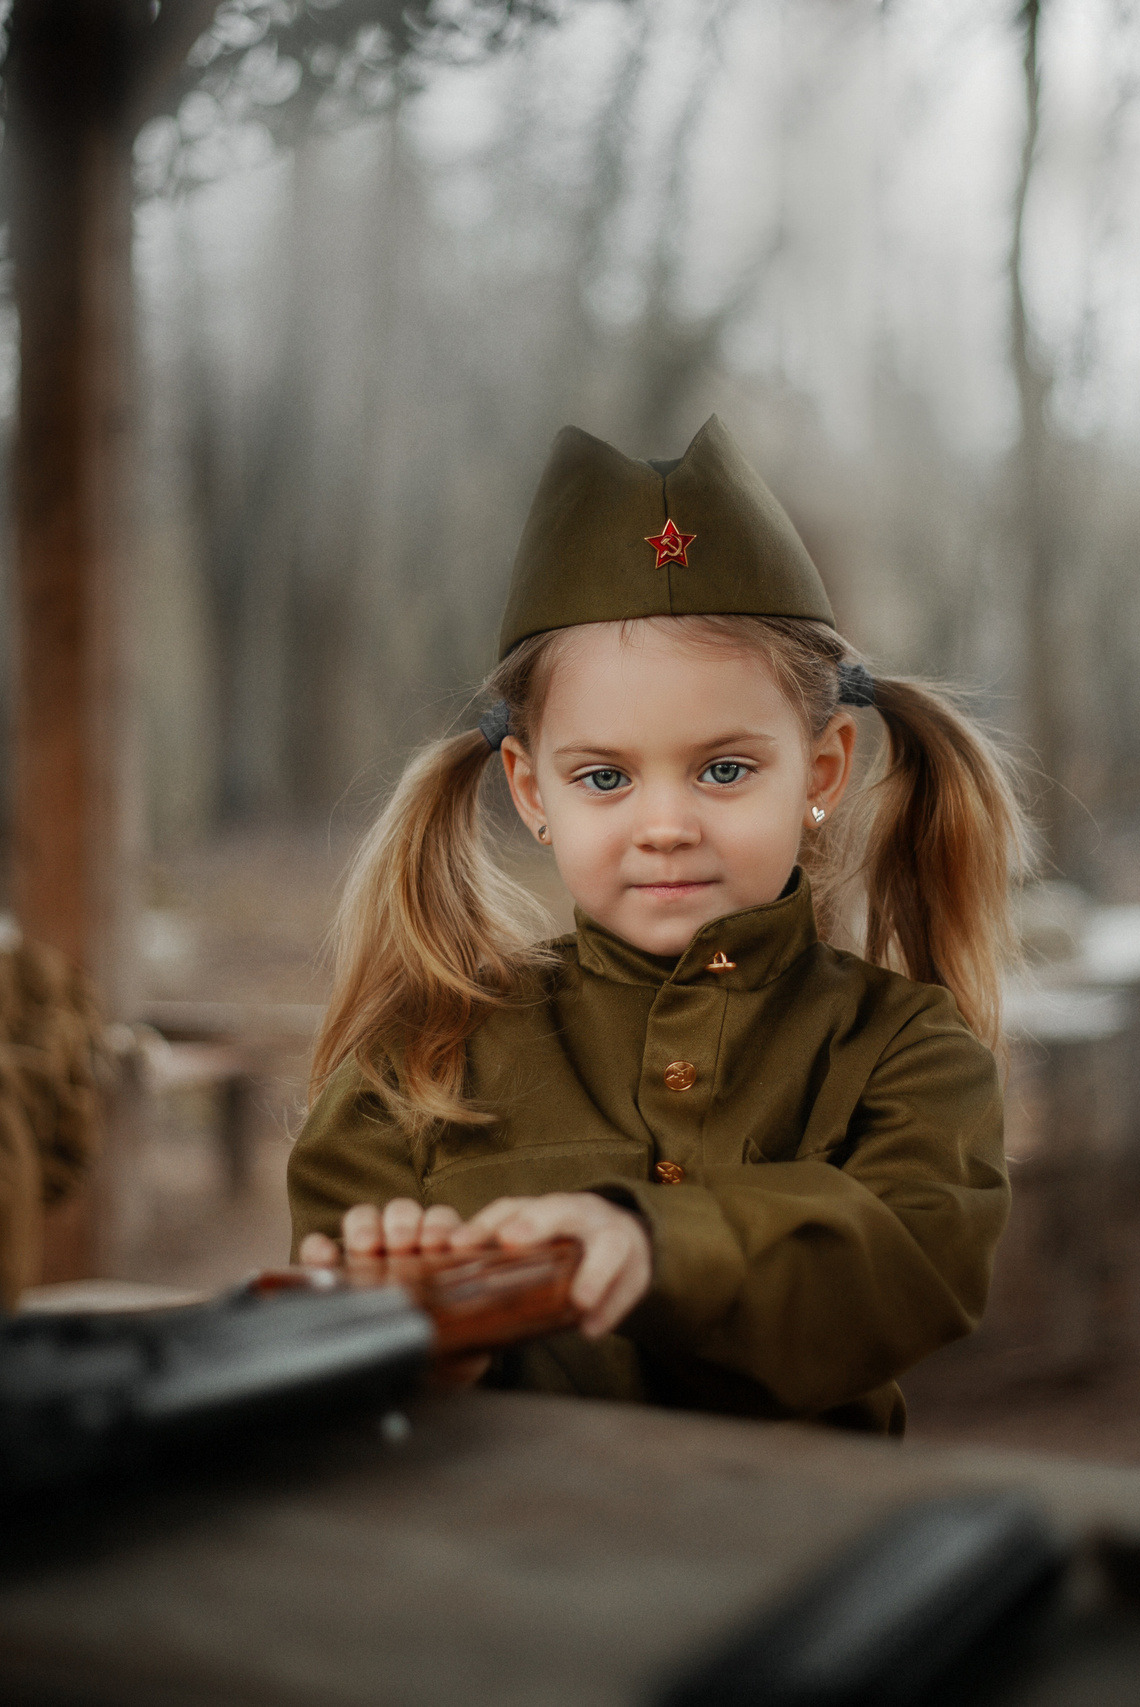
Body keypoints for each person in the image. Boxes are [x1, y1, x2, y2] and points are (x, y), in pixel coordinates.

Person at [287, 415, 1027, 1433]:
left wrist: (646, 1241)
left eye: (724, 769)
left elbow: (914, 1262)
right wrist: (410, 1342)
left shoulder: (907, 1052)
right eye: (604, 777)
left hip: (798, 1573)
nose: (666, 827)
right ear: (531, 789)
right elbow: (322, 1350)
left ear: (820, 772)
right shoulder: (420, 1060)